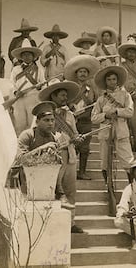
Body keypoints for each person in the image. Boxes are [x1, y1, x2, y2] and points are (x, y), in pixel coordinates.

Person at [38, 81, 85, 233]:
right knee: (53, 190)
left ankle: (70, 223)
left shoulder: (69, 114)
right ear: (54, 96)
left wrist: (77, 139)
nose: (65, 98)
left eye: (66, 96)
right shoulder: (44, 114)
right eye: (62, 95)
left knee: (70, 190)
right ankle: (52, 221)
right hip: (52, 156)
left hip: (69, 155)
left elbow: (75, 133)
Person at [91, 65, 134, 182]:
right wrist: (105, 115)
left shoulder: (126, 95)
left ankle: (133, 183)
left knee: (128, 159)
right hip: (105, 131)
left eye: (114, 79)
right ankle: (107, 183)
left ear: (117, 80)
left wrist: (117, 111)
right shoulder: (101, 99)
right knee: (104, 160)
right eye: (109, 79)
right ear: (105, 82)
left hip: (121, 130)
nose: (111, 82)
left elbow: (130, 112)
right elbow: (94, 118)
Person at [7, 101, 57, 193]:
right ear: (37, 122)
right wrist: (43, 148)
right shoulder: (27, 135)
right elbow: (21, 159)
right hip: (21, 180)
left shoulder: (53, 137)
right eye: (46, 120)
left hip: (41, 180)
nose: (50, 123)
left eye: (52, 120)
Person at [64, 55, 101, 180]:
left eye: (85, 72)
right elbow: (65, 99)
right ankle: (70, 173)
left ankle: (82, 172)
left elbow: (97, 101)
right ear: (76, 73)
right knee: (71, 146)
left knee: (85, 147)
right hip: (71, 120)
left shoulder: (92, 87)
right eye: (80, 71)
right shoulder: (71, 86)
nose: (83, 74)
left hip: (86, 120)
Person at [8, 39, 44, 135]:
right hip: (19, 99)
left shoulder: (39, 70)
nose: (27, 57)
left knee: (32, 123)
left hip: (33, 98)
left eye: (29, 54)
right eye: (24, 54)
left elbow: (44, 84)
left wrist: (40, 86)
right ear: (21, 56)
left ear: (33, 56)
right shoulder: (16, 70)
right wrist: (16, 92)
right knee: (20, 124)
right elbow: (11, 84)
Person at [118, 40, 136, 152]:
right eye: (129, 52)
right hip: (124, 95)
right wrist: (124, 92)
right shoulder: (121, 65)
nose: (131, 54)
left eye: (133, 52)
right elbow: (119, 79)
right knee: (124, 120)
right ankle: (127, 144)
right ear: (125, 54)